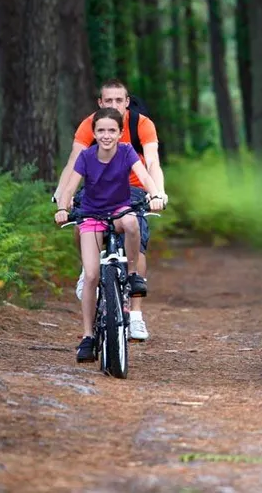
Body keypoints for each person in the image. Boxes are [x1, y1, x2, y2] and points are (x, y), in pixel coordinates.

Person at [54, 79, 167, 341]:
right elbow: (74, 162)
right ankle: (88, 268)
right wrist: (63, 197)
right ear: (100, 103)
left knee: (136, 237)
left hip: (134, 188)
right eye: (108, 101)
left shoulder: (141, 125)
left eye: (119, 100)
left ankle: (136, 315)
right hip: (96, 187)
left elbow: (152, 161)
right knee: (80, 224)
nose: (114, 105)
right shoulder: (92, 125)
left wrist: (157, 193)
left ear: (127, 102)